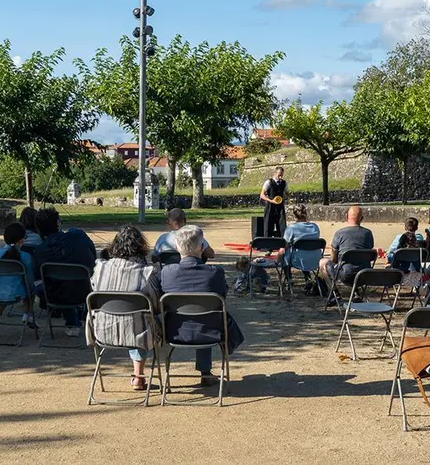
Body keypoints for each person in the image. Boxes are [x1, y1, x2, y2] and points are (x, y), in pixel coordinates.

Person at [154, 225, 244, 383]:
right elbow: (222, 296)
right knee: (208, 314)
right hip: (209, 331)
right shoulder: (215, 273)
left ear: (176, 247)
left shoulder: (166, 273)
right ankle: (206, 372)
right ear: (202, 247)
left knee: (203, 314)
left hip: (173, 330)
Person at [89, 226, 160, 391]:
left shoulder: (100, 268)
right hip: (138, 333)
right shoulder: (145, 273)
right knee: (143, 319)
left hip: (102, 330)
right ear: (141, 247)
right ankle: (139, 376)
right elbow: (155, 305)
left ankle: (137, 376)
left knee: (137, 318)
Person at [33, 208, 97, 336]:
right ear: (58, 223)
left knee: (53, 284)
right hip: (85, 292)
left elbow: (37, 278)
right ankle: (80, 315)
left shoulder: (40, 251)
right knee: (70, 281)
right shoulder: (78, 237)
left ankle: (72, 321)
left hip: (55, 297)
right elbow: (93, 259)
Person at [0, 223, 37, 329]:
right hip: (15, 294)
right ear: (22, 240)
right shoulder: (25, 256)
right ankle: (28, 314)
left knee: (5, 285)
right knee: (30, 288)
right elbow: (29, 280)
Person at [319, 206, 375, 289]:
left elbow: (334, 259)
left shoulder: (339, 233)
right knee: (358, 260)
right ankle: (355, 292)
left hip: (345, 275)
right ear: (362, 218)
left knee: (323, 262)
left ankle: (334, 292)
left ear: (346, 217)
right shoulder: (368, 234)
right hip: (364, 274)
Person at [278, 204, 321, 289]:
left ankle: (289, 278)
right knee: (306, 250)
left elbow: (284, 246)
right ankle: (307, 277)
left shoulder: (292, 228)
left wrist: (278, 258)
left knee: (286, 254)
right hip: (315, 259)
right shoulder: (315, 227)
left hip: (298, 260)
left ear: (294, 215)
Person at [259, 166, 287, 237]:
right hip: (270, 206)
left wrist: (285, 199)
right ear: (275, 173)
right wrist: (271, 200)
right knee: (268, 226)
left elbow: (286, 193)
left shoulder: (284, 183)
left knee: (282, 226)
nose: (280, 176)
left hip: (280, 206)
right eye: (279, 174)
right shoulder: (268, 182)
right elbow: (262, 195)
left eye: (282, 174)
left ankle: (281, 243)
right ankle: (267, 245)